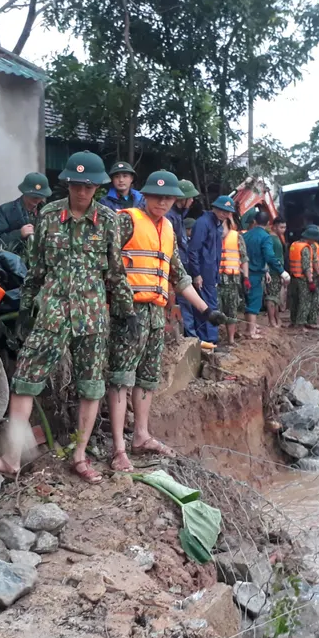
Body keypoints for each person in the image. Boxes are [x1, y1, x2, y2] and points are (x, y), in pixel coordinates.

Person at [0, 151, 135, 484]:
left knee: (91, 386)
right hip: (51, 312)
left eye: (89, 186)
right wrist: (25, 307)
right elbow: (36, 268)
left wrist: (126, 310)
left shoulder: (108, 221)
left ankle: (79, 456)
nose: (82, 192)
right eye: (77, 185)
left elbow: (116, 272)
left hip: (92, 317)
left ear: (97, 187)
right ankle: (10, 458)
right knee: (25, 380)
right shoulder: (48, 216)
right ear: (67, 184)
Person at [106, 171, 227, 471]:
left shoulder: (170, 230)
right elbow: (104, 261)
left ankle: (142, 436)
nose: (162, 202)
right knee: (121, 377)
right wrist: (118, 304)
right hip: (127, 313)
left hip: (154, 315)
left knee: (147, 377)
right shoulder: (126, 220)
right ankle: (118, 449)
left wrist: (206, 311)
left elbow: (179, 276)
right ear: (145, 195)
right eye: (157, 196)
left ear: (175, 200)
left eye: (168, 197)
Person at [187, 195, 236, 347]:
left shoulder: (217, 225)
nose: (224, 213)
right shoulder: (203, 223)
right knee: (206, 308)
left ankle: (210, 342)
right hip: (203, 273)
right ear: (214, 208)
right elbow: (193, 250)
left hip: (211, 274)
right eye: (221, 210)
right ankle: (208, 342)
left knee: (211, 306)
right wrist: (196, 274)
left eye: (227, 212)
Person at [243, 210, 290, 338]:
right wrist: (282, 272)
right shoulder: (265, 237)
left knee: (248, 301)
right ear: (268, 223)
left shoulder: (245, 236)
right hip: (256, 274)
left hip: (243, 273)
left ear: (254, 221)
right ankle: (251, 331)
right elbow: (269, 256)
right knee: (254, 302)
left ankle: (250, 327)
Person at [166, 180, 201, 337]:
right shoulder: (170, 217)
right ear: (182, 198)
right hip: (175, 271)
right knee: (184, 307)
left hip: (181, 267)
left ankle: (192, 340)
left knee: (186, 307)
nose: (193, 201)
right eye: (191, 197)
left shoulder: (178, 216)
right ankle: (191, 340)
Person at [0, 172, 52, 255]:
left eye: (40, 196)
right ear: (24, 192)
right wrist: (19, 234)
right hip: (14, 263)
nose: (37, 199)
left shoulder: (48, 212)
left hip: (40, 263)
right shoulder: (6, 210)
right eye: (33, 195)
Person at [217, 214, 248, 345]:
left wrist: (246, 277)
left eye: (223, 225)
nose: (220, 229)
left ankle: (230, 339)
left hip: (232, 280)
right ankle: (214, 338)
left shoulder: (237, 237)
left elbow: (244, 258)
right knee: (215, 309)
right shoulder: (213, 236)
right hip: (216, 280)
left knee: (232, 310)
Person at [287, 225, 319, 330]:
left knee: (295, 300)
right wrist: (311, 281)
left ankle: (294, 321)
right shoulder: (305, 248)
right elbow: (306, 266)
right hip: (303, 278)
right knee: (305, 300)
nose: (315, 241)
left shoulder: (294, 245)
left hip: (294, 276)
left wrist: (318, 273)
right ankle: (301, 323)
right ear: (310, 238)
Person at [265, 217, 287, 326]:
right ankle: (272, 321)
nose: (283, 229)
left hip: (278, 271)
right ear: (274, 226)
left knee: (276, 296)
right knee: (271, 297)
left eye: (284, 227)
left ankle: (277, 319)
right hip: (273, 271)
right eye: (281, 227)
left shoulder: (277, 238)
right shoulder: (271, 239)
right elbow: (268, 256)